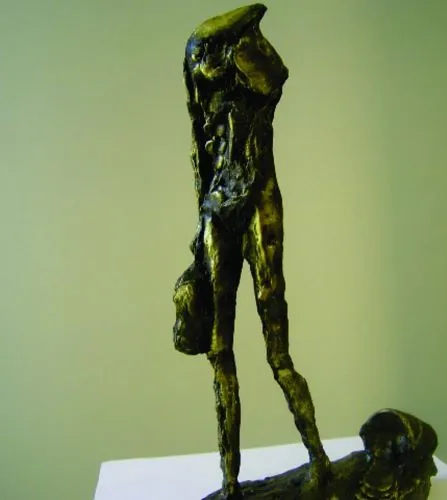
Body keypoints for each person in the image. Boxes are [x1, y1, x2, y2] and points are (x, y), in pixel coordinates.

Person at [176, 4, 331, 498]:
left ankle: (319, 460)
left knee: (277, 353)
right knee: (220, 353)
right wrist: (198, 248)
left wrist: (237, 45)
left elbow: (272, 76)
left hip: (257, 207)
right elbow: (201, 164)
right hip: (216, 214)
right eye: (201, 57)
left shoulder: (256, 82)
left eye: (211, 54)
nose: (205, 65)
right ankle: (231, 483)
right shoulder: (206, 104)